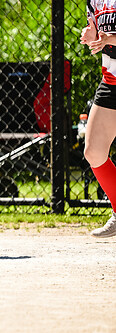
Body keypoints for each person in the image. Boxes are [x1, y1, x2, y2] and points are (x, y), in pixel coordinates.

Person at [81, 1, 116, 237]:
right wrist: (91, 33)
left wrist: (110, 39)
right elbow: (95, 28)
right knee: (93, 151)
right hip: (112, 80)